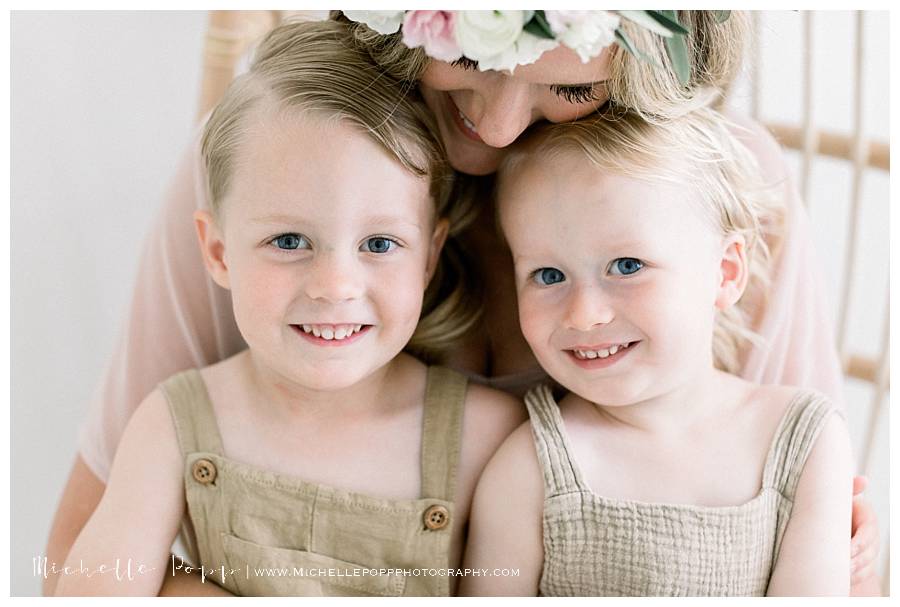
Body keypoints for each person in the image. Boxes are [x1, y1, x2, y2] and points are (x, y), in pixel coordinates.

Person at [43, 11, 880, 597]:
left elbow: (837, 560)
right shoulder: (281, 159)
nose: (502, 125)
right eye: (475, 59)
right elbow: (74, 560)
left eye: (574, 88)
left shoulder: (725, 190)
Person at [54, 20, 523, 597]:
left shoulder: (486, 438)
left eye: (379, 244)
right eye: (289, 241)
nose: (334, 286)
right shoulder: (176, 423)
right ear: (218, 252)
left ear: (427, 257)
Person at [462, 108, 853, 596]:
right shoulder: (530, 469)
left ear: (726, 272)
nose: (584, 315)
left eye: (626, 266)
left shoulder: (803, 441)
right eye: (548, 276)